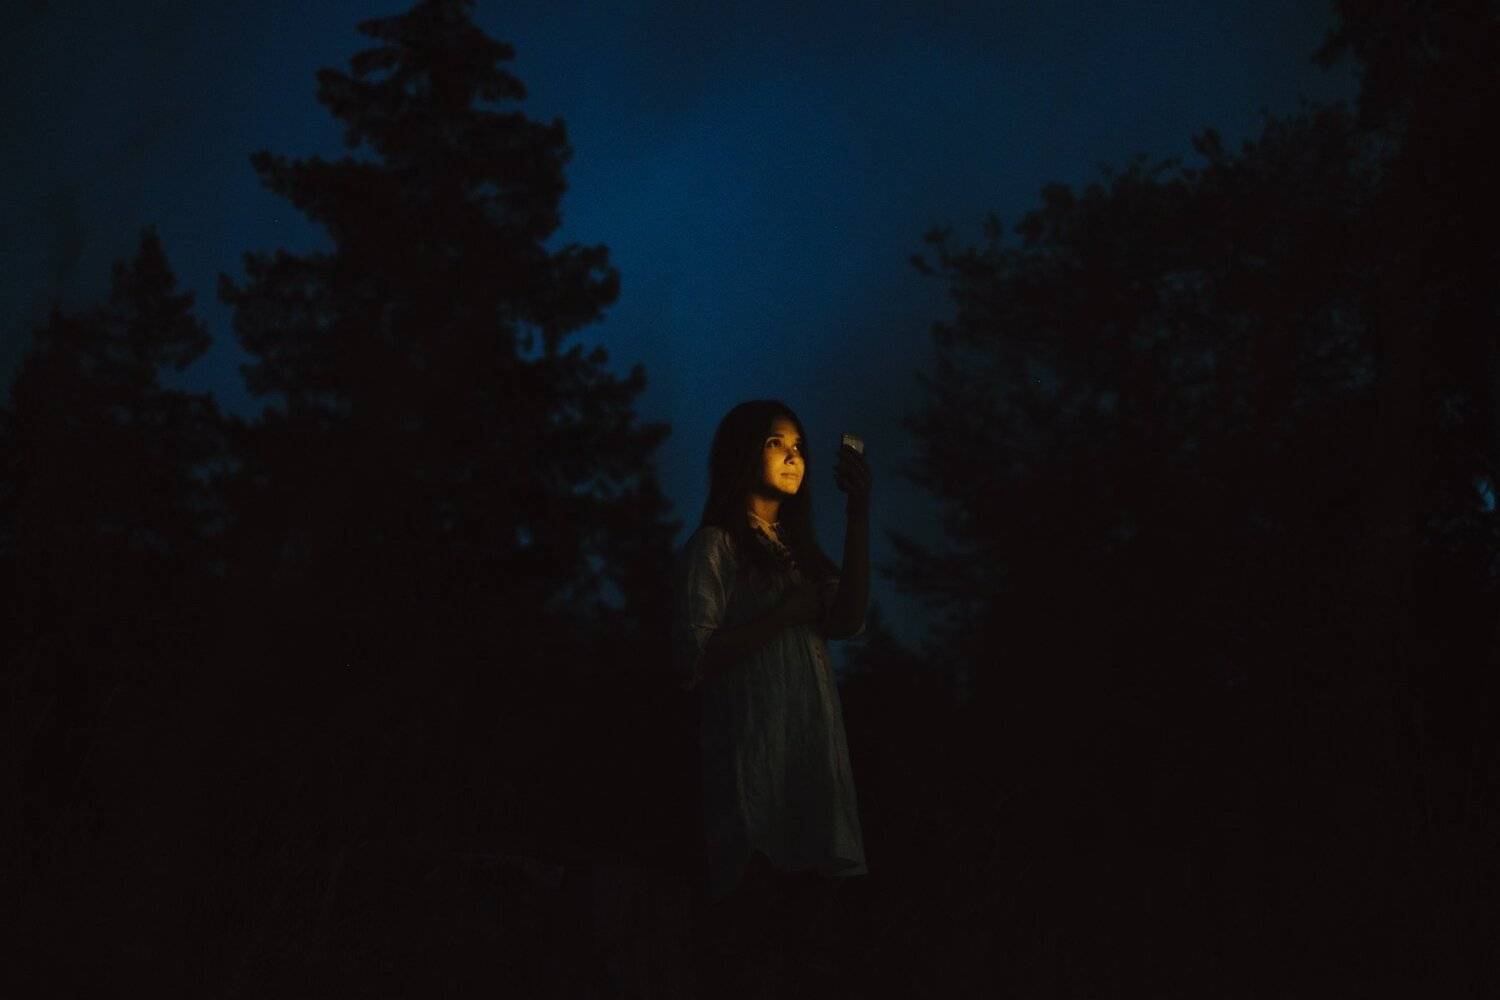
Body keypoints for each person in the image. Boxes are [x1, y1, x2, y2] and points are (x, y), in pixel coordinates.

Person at [672, 399, 872, 997]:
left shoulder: (801, 556)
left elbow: (848, 618)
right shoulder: (716, 547)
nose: (792, 456)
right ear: (742, 455)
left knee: (810, 952)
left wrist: (858, 511)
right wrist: (783, 614)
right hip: (751, 765)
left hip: (809, 764)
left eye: (799, 445)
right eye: (774, 443)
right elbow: (694, 656)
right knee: (751, 946)